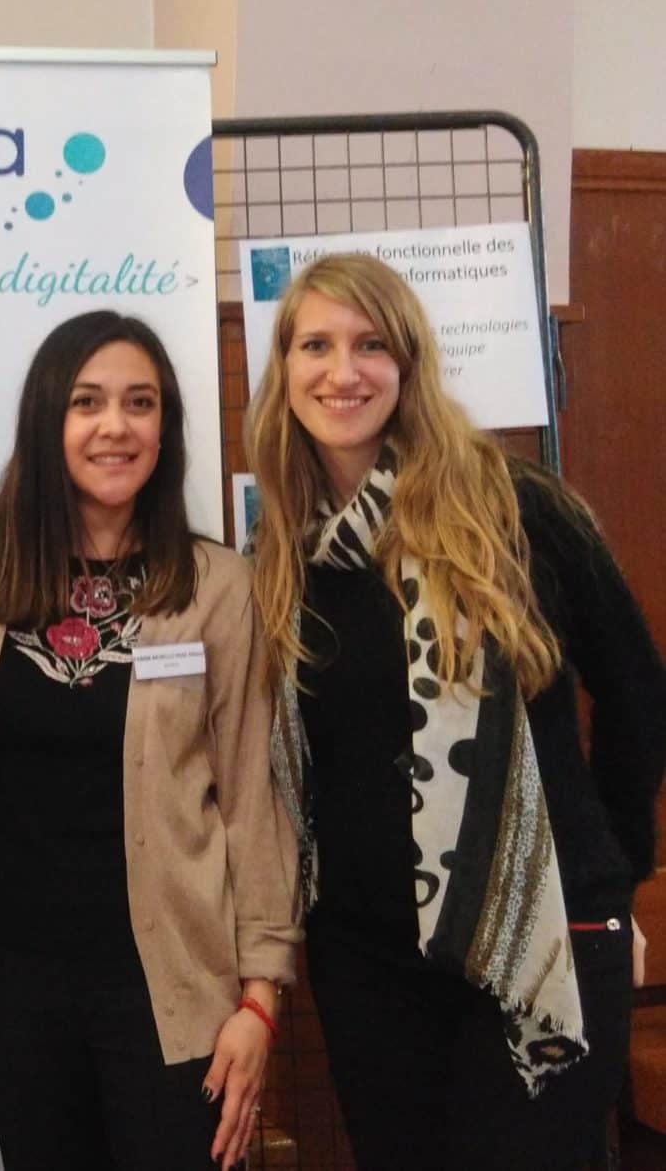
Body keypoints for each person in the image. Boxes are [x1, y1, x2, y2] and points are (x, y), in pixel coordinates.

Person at [245, 252, 666, 1169]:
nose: (343, 372)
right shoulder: (282, 553)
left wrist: (609, 874)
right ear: (284, 368)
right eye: (315, 346)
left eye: (370, 345)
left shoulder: (513, 506)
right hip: (370, 960)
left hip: (542, 936)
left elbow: (637, 688)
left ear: (408, 362)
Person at [0, 310, 299, 1171]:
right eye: (87, 402)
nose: (115, 426)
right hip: (17, 988)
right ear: (46, 420)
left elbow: (252, 794)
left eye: (140, 403)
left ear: (166, 428)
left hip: (175, 987)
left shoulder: (217, 586)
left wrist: (260, 995)